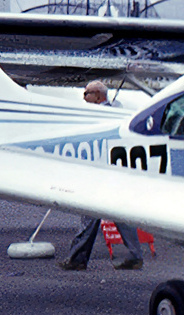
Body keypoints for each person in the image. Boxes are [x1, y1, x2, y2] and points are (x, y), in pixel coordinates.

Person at [57, 80, 145, 271]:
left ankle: (77, 259)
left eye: (86, 93)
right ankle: (135, 255)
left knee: (89, 215)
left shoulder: (97, 115)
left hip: (99, 173)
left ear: (97, 96)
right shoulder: (117, 111)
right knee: (120, 217)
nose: (84, 97)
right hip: (115, 172)